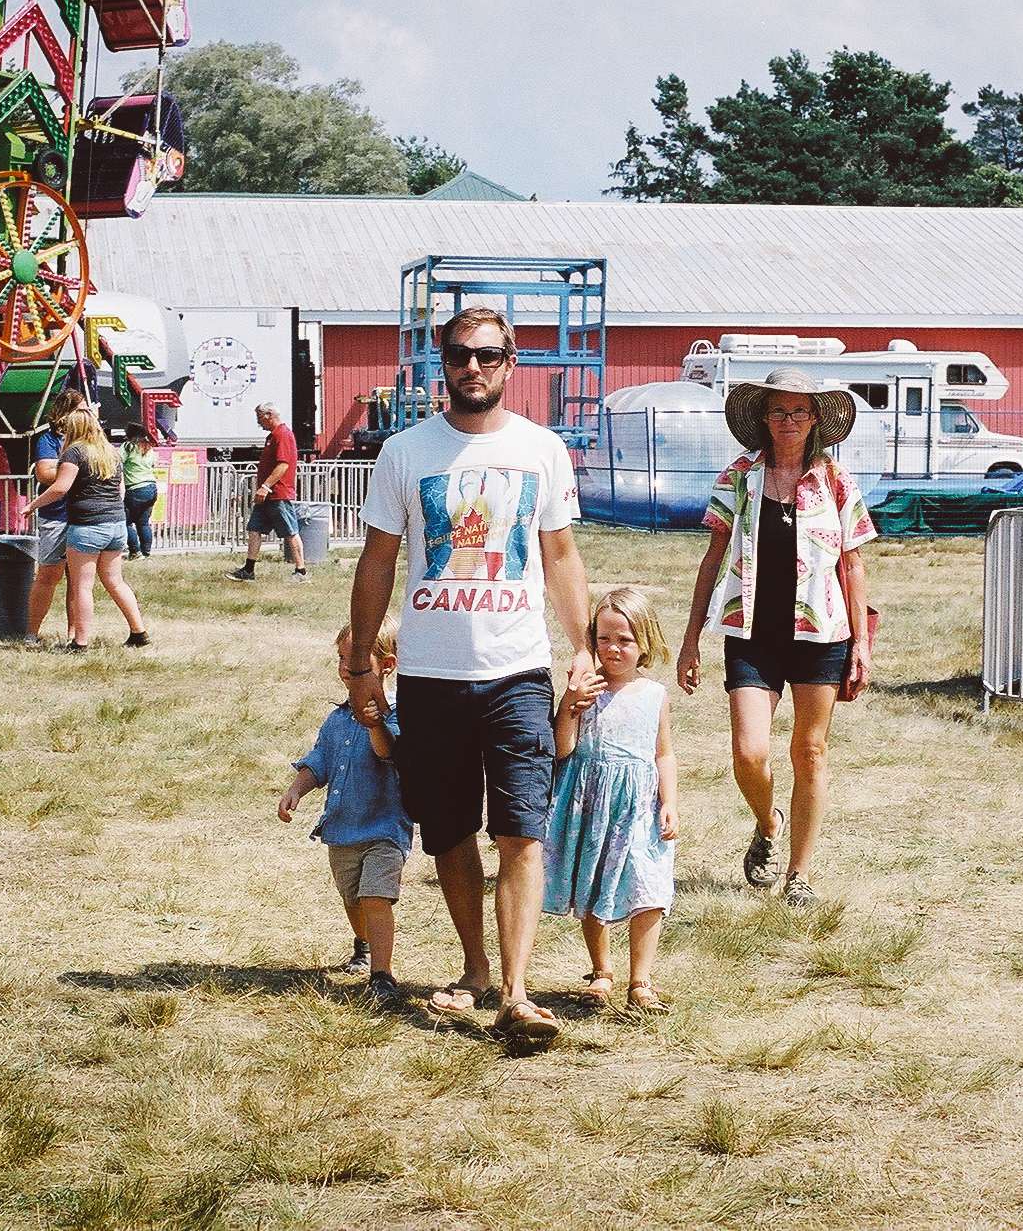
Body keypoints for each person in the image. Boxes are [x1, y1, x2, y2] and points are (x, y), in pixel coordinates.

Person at [345, 305, 593, 1047]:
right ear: (442, 363)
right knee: (448, 830)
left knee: (521, 829)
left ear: (510, 364)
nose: (472, 367)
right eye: (459, 355)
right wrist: (362, 663)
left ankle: (517, 994)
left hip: (518, 670)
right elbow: (378, 561)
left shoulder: (542, 450)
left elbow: (559, 556)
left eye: (487, 355)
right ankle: (476, 968)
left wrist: (582, 645)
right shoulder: (405, 452)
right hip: (430, 675)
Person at [676, 368, 876, 908]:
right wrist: (691, 638)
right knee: (749, 753)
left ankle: (799, 874)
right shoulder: (739, 476)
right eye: (778, 411)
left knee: (809, 751)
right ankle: (768, 823)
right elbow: (712, 558)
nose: (789, 420)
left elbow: (853, 565)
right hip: (752, 633)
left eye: (799, 411)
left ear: (815, 420)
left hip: (822, 634)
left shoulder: (837, 481)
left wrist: (861, 643)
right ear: (763, 418)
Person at [542, 587, 679, 1015]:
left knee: (648, 887)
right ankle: (601, 970)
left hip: (639, 806)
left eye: (625, 640)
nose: (613, 648)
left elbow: (663, 753)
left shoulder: (654, 694)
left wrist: (669, 801)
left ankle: (642, 979)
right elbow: (562, 748)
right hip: (590, 804)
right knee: (593, 882)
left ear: (646, 642)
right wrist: (570, 704)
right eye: (603, 638)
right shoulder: (587, 689)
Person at [277, 618, 410, 1007]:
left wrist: (374, 723)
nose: (345, 667)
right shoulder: (336, 719)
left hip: (385, 828)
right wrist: (296, 789)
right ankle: (362, 943)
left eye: (356, 659)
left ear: (387, 665)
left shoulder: (397, 715)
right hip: (342, 830)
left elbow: (388, 752)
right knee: (352, 898)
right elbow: (319, 760)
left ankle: (382, 975)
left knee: (376, 896)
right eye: (341, 658)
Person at [24, 404, 151, 651]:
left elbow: (61, 487)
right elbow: (121, 491)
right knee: (116, 582)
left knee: (82, 587)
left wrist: (33, 505)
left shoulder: (75, 452)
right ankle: (139, 632)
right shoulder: (110, 452)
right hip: (116, 526)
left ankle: (80, 642)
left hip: (87, 528)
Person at [229, 402, 307, 582]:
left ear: (269, 415)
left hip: (278, 493)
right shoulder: (272, 436)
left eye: (260, 418)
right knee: (254, 529)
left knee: (290, 531)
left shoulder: (283, 435)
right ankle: (248, 570)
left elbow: (283, 465)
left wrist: (265, 487)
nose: (259, 422)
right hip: (267, 496)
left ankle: (301, 571)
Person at [24, 393, 80, 644]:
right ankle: (31, 633)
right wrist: (75, 470)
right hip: (56, 516)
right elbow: (44, 473)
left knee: (78, 580)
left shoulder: (91, 440)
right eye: (81, 410)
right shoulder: (49, 439)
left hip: (85, 517)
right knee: (48, 574)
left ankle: (74, 636)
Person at [123, 426, 159, 559]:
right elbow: (153, 463)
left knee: (124, 521)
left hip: (135, 488)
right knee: (143, 522)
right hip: (151, 488)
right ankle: (146, 551)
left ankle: (135, 551)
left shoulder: (128, 446)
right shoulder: (148, 447)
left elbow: (117, 462)